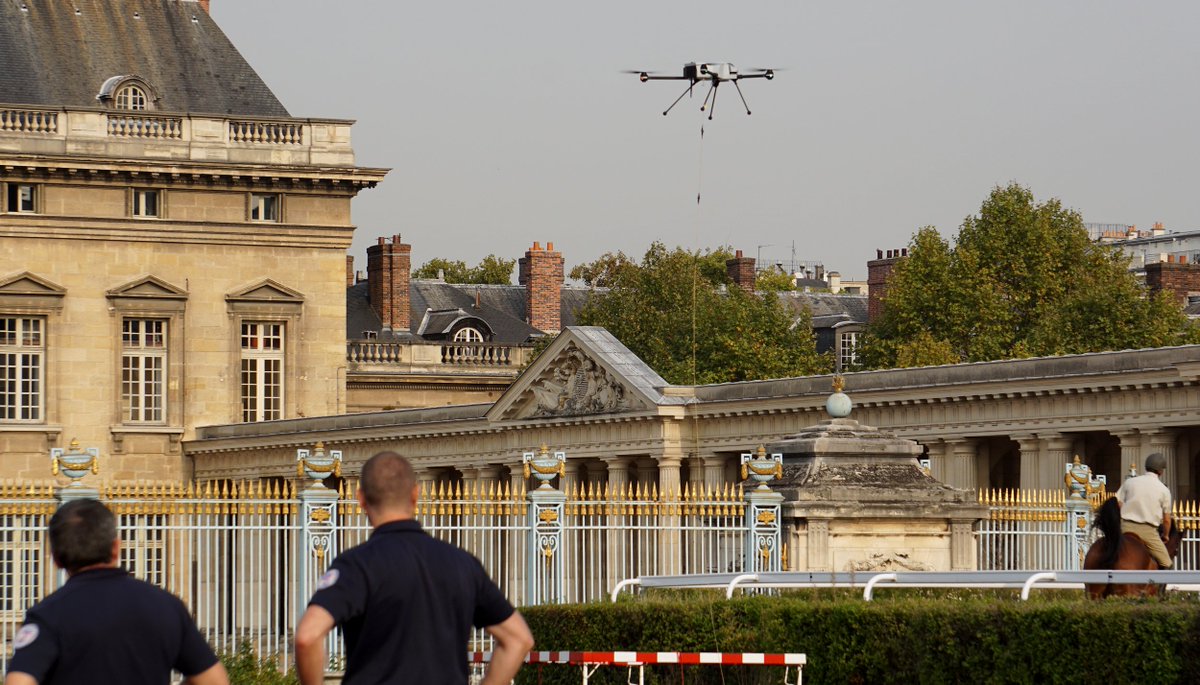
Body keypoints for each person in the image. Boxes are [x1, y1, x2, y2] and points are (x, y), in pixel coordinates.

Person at [295, 451, 534, 685]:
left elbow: (308, 636)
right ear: (415, 495)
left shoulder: (356, 565)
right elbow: (518, 639)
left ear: (361, 499)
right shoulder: (462, 563)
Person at [5, 499, 228, 685]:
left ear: (55, 557)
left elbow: (19, 681)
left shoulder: (48, 614)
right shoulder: (165, 606)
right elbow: (214, 680)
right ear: (116, 547)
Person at [1115, 452, 1174, 569]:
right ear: (1161, 471)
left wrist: (1125, 511)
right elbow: (1167, 520)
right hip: (1147, 531)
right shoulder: (1163, 490)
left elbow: (1117, 501)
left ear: (1146, 467)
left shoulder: (1130, 482)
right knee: (1167, 563)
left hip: (1124, 527)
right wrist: (1166, 535)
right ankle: (1159, 587)